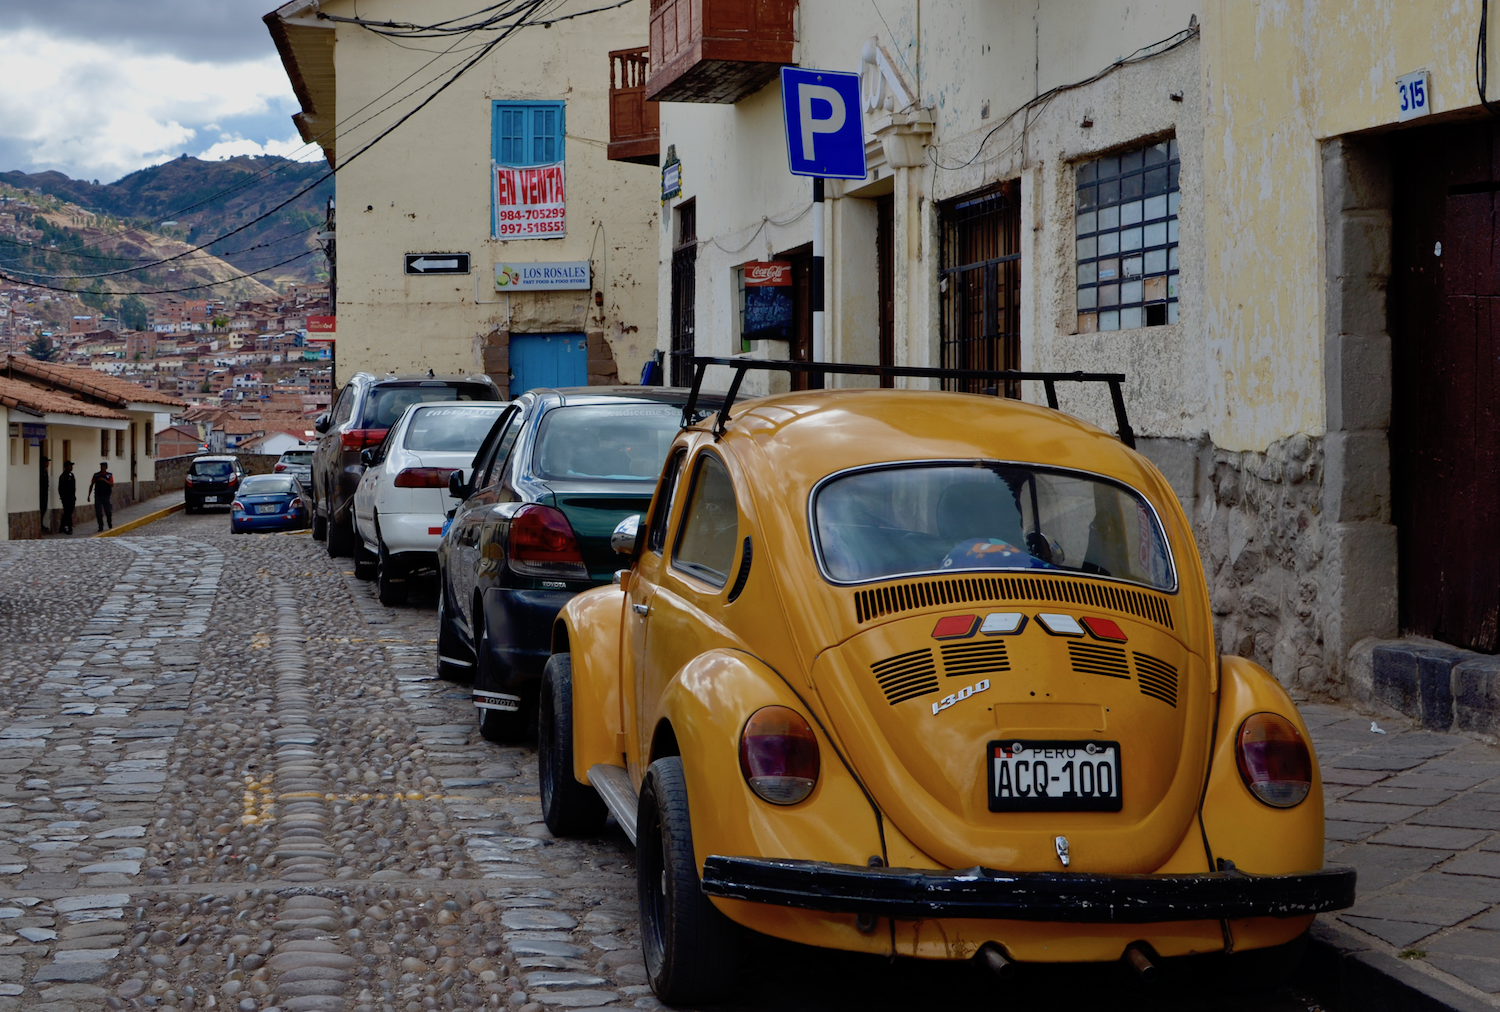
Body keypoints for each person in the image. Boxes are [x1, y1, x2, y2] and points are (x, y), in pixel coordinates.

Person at [88, 461, 114, 531]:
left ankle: (109, 523)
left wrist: (104, 480)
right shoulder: (96, 475)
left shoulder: (109, 475)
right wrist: (89, 495)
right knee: (99, 512)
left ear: (106, 467)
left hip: (106, 496)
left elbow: (111, 484)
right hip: (98, 496)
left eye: (104, 467)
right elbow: (92, 484)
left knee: (108, 511)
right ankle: (100, 526)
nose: (102, 468)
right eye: (101, 466)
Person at [57, 461, 76, 535]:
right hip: (66, 498)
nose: (71, 467)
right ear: (66, 467)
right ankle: (70, 528)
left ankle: (61, 527)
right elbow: (61, 488)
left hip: (72, 497)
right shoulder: (63, 476)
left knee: (68, 512)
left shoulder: (71, 475)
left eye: (71, 466)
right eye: (69, 466)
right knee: (68, 513)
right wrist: (62, 497)